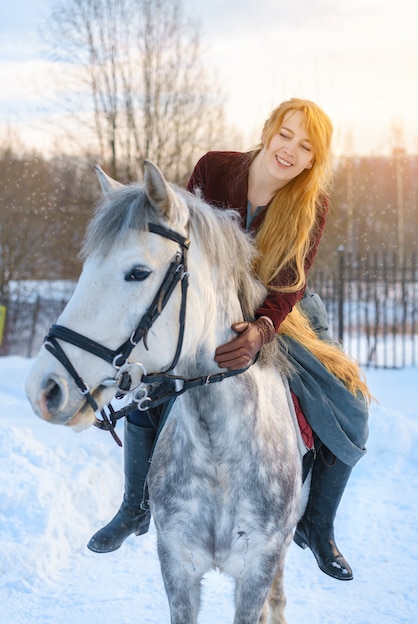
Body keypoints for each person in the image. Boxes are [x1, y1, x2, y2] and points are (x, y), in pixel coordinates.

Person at [87, 98, 369, 582]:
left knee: (352, 401)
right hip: (208, 299)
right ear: (268, 131)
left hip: (277, 309)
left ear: (312, 161)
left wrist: (261, 330)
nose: (290, 150)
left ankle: (318, 525)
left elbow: (292, 281)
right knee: (151, 374)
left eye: (305, 147)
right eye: (286, 135)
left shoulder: (311, 205)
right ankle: (135, 505)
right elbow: (184, 240)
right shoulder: (214, 169)